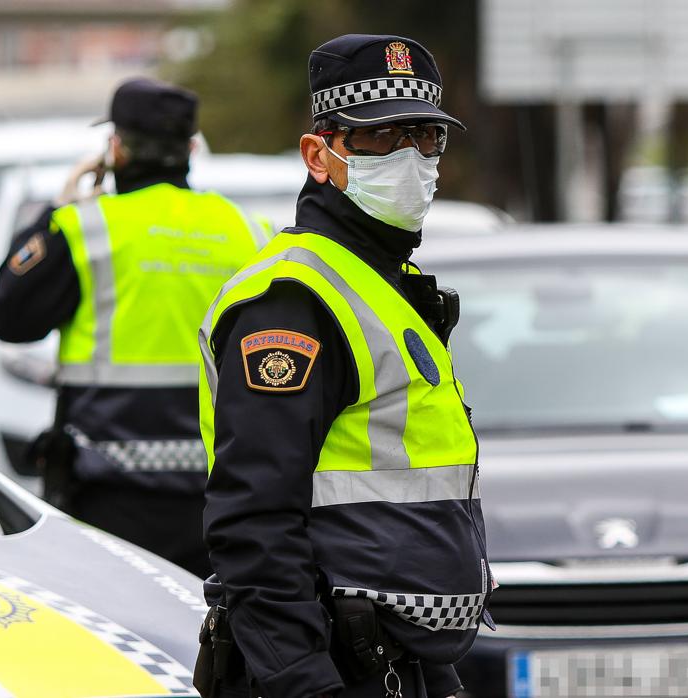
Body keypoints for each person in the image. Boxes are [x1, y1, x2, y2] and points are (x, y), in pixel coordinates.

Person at [195, 35, 488, 698]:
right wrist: (305, 681)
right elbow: (253, 521)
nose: (412, 158)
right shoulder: (294, 304)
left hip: (396, 662)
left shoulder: (383, 283)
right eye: (381, 138)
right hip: (325, 667)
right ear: (318, 154)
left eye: (426, 137)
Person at [0, 78, 269, 578]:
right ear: (190, 149)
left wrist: (58, 209)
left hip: (108, 502)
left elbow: (8, 319)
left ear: (114, 148)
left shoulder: (84, 227)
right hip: (224, 499)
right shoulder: (249, 231)